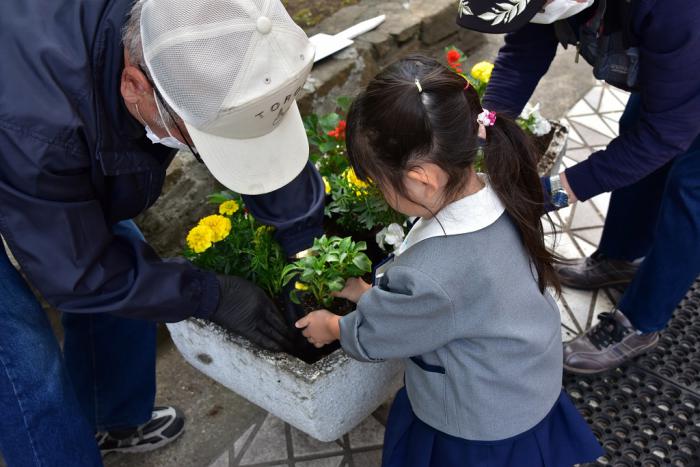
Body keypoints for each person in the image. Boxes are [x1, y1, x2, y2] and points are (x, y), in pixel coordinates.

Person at [0, 0, 324, 464]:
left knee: (123, 258)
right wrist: (208, 294)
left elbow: (248, 114)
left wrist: (302, 244)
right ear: (134, 86)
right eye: (200, 136)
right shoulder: (42, 132)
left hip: (53, 108)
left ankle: (112, 419)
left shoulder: (193, 23)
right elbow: (78, 273)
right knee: (24, 367)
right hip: (16, 125)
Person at [295, 56, 603, 467]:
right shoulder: (504, 190)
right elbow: (452, 303)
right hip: (524, 381)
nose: (378, 192)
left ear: (422, 178)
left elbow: (385, 334)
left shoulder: (430, 273)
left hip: (477, 427)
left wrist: (333, 326)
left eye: (378, 182)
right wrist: (362, 292)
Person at [454, 0, 700, 374]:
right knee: (639, 127)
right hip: (684, 63)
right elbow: (525, 50)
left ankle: (640, 322)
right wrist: (485, 124)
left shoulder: (673, 9)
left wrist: (555, 190)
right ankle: (622, 257)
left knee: (690, 192)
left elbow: (666, 133)